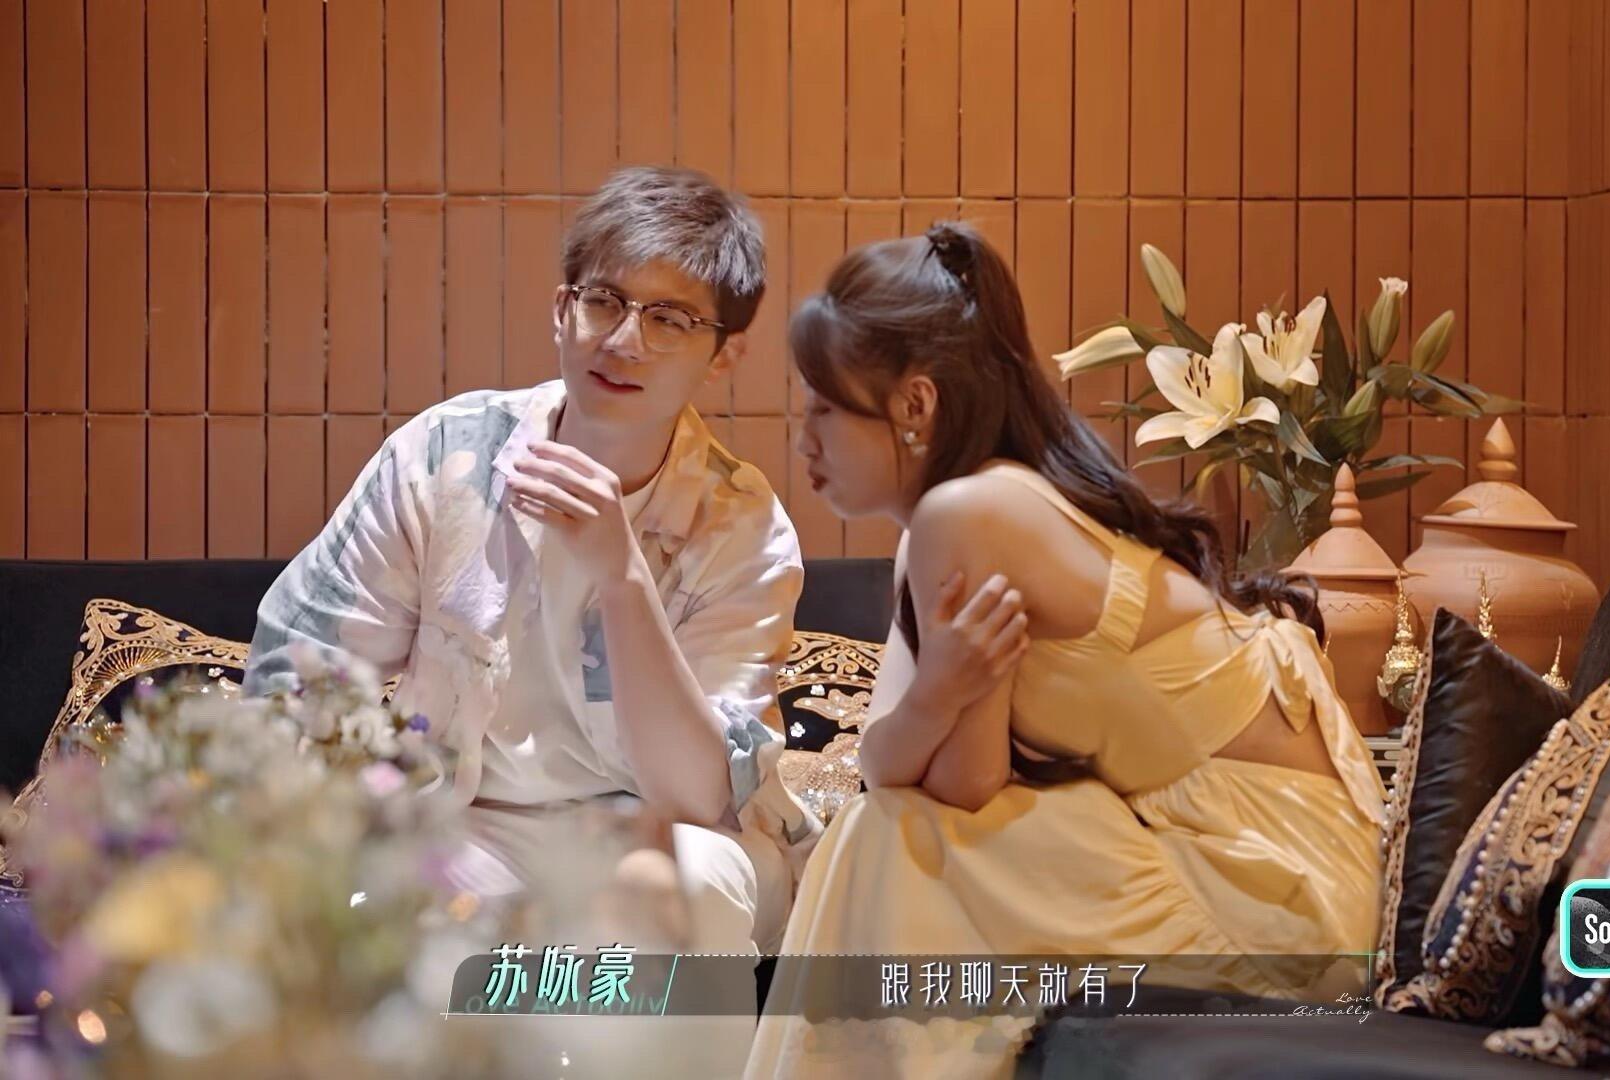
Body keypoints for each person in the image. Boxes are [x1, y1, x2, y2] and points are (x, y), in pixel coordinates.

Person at [747, 223, 1389, 1078]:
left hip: (1273, 889)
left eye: (825, 408)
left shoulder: (971, 515)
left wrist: (940, 699)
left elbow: (961, 780)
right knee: (886, 831)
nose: (804, 440)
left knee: (892, 844)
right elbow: (893, 765)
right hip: (1214, 852)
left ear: (914, 405)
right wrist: (939, 691)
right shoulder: (948, 527)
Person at [242, 166, 811, 1076]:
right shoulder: (444, 456)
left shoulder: (742, 527)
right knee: (354, 900)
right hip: (464, 820)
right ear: (561, 309)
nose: (623, 340)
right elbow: (303, 667)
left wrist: (622, 575)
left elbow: (698, 794)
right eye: (604, 301)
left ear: (723, 355)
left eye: (669, 318)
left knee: (688, 883)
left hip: (649, 831)